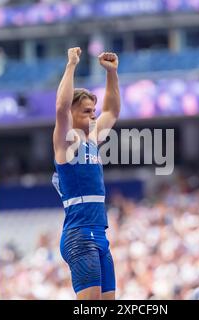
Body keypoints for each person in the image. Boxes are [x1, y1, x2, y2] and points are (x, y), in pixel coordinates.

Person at [52, 47, 120, 300]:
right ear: (72, 114)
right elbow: (60, 107)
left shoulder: (92, 138)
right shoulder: (66, 141)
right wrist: (71, 65)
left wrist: (111, 74)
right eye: (86, 111)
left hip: (100, 235)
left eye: (93, 110)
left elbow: (112, 111)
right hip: (80, 235)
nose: (94, 115)